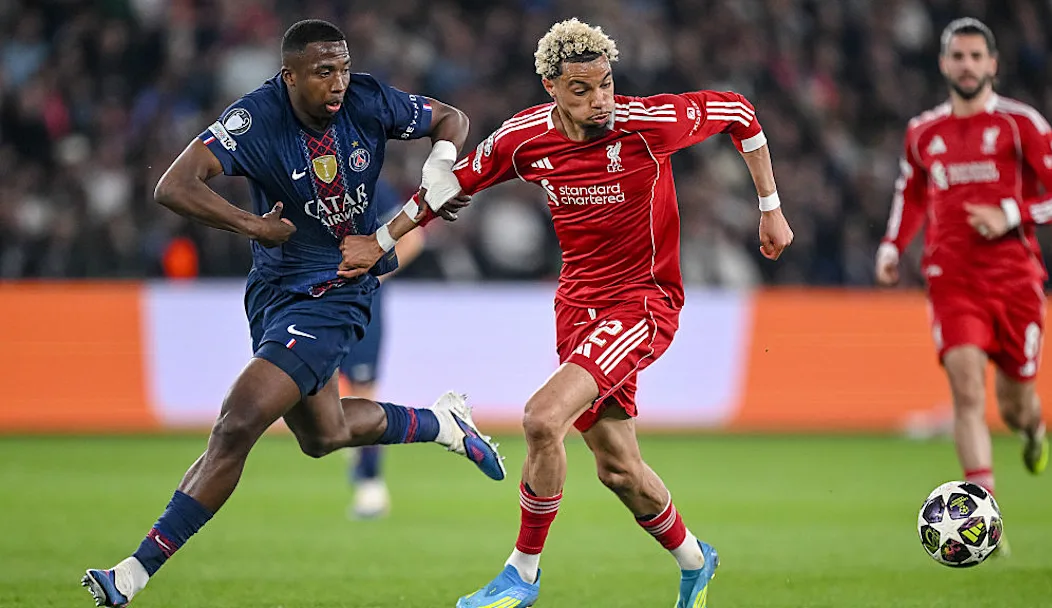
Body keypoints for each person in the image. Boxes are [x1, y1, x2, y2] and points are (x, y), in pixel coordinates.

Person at [339, 18, 793, 608]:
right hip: (578, 307)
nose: (599, 99)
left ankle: (520, 575)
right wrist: (381, 239)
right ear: (552, 87)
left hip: (644, 301)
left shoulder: (648, 126)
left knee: (540, 418)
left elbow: (739, 112)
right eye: (581, 89)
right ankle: (694, 558)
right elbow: (448, 188)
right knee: (618, 469)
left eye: (605, 84)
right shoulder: (524, 139)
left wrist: (770, 207)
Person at [81, 19, 504, 608]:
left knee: (238, 422)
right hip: (274, 289)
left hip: (338, 289)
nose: (338, 83)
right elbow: (173, 185)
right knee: (322, 434)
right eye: (324, 72)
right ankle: (443, 424)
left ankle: (132, 573)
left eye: (343, 68)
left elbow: (450, 118)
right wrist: (252, 225)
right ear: (290, 77)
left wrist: (439, 167)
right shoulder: (255, 119)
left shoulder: (369, 99)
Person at [876, 18, 1052, 524]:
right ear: (944, 64)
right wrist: (892, 246)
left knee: (1015, 406)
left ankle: (1032, 432)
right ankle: (980, 514)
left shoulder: (1019, 123)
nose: (966, 66)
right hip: (952, 279)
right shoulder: (923, 132)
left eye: (975, 57)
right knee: (966, 390)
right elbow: (912, 194)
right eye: (957, 57)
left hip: (1015, 282)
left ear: (992, 64)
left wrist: (1012, 214)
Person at [342, 184, 427, 520]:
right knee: (316, 392)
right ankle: (351, 452)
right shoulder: (302, 176)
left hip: (363, 307)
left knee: (363, 394)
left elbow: (413, 239)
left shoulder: (370, 186)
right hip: (313, 303)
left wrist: (373, 278)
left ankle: (370, 484)